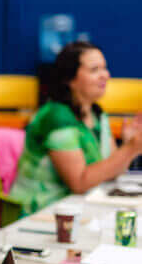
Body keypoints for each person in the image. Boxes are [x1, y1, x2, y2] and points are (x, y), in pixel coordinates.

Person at [10, 41, 142, 215]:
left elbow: (109, 171)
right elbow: (79, 183)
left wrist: (129, 146)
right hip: (41, 214)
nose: (105, 75)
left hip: (80, 208)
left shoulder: (96, 113)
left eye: (105, 68)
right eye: (94, 70)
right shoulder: (56, 118)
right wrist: (130, 148)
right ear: (69, 78)